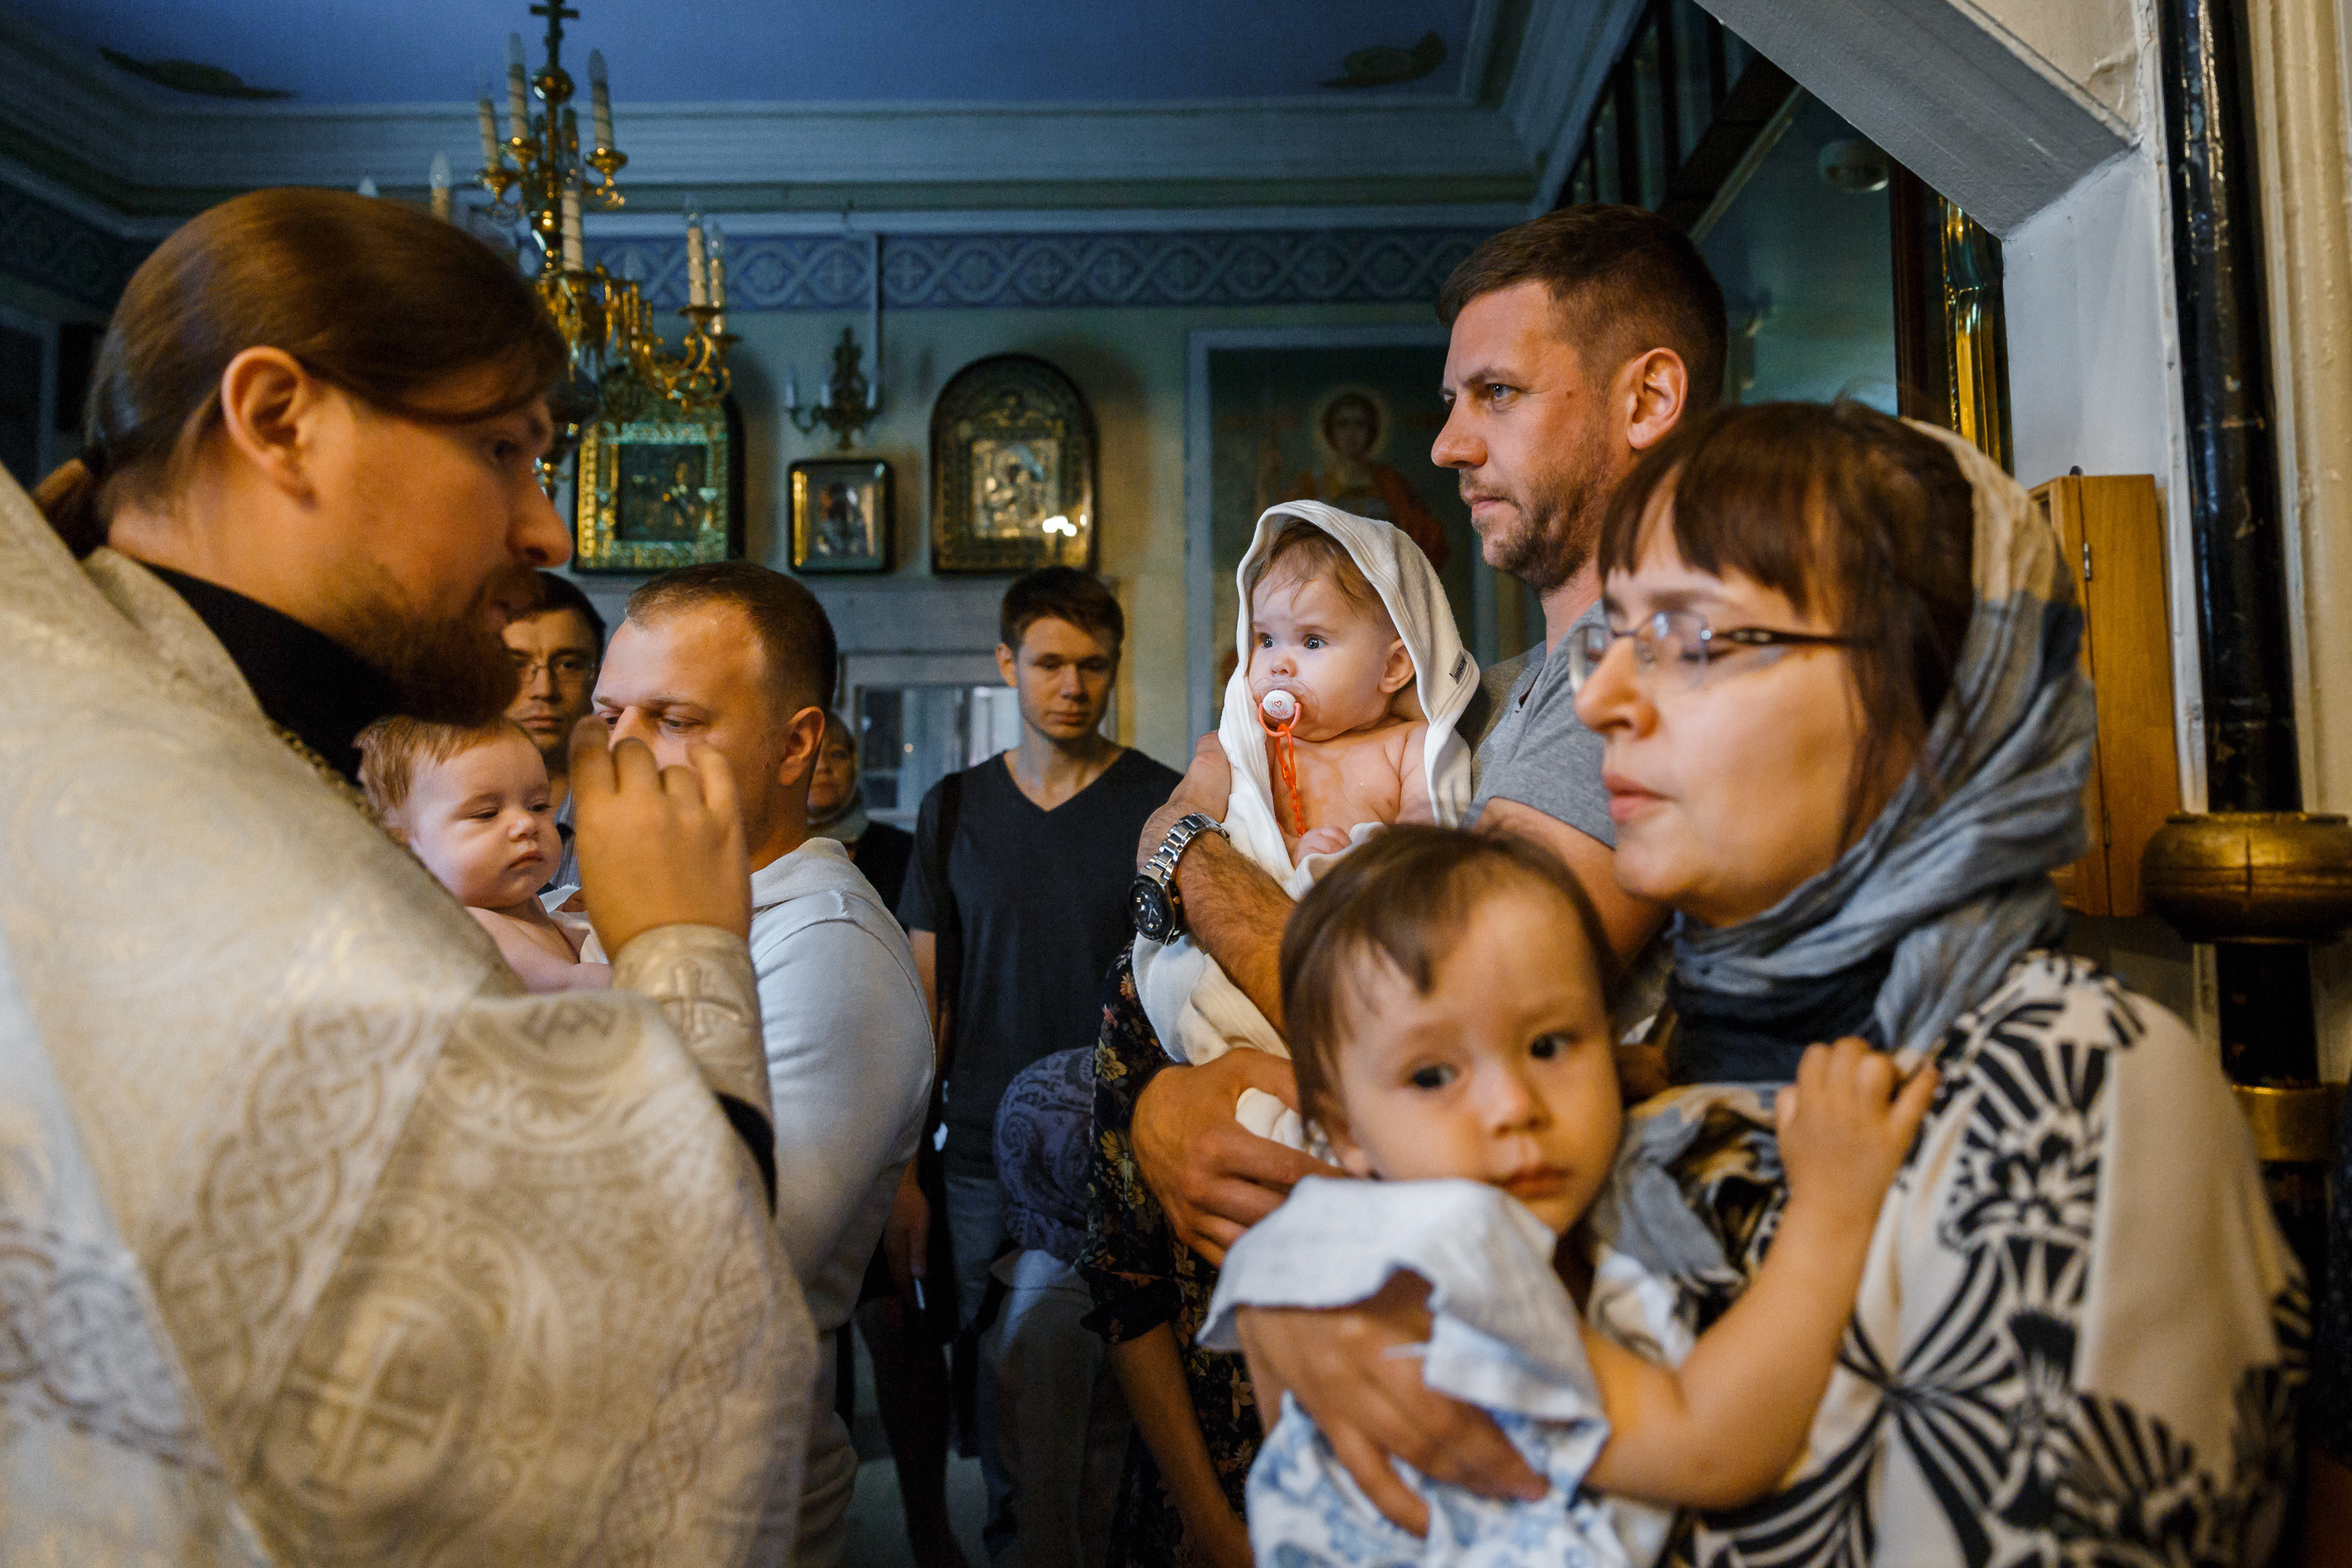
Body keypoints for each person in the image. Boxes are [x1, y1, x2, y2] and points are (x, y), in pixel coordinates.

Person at [1232, 402, 2305, 1561]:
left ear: (1934, 699)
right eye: (1611, 641)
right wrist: (1321, 1283)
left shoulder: (2075, 1079)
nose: (1600, 702)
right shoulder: (1653, 1051)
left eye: (1692, 640)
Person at [1, 186, 810, 1561]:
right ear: (278, 419)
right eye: (503, 449)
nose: (547, 530)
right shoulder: (183, 828)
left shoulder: (134, 712)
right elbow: (658, 1321)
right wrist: (679, 940)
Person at [1080, 206, 1722, 1563]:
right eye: (1444, 401)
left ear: (1647, 396)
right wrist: (1157, 1098)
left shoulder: (1644, 675)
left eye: (1493, 393)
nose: (1444, 443)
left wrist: (1186, 848)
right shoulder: (1522, 702)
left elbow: (1432, 1003)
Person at [1201, 826, 1934, 1564]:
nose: (1512, 1105)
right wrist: (1833, 1207)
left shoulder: (1344, 1246)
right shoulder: (1452, 1249)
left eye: (1550, 1045)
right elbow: (1708, 1445)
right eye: (1432, 1075)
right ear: (1343, 1129)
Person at [592, 562, 933, 1568]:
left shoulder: (826, 946)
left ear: (795, 744)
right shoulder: (624, 884)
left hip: (709, 1489)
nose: (623, 747)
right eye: (611, 711)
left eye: (673, 715)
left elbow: (727, 1277)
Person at [893, 565, 1182, 1557]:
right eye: (1051, 662)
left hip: (1117, 1143)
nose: (1073, 683)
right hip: (976, 1151)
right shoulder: (954, 806)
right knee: (1000, 1384)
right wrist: (904, 1166)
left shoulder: (1160, 803)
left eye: (1094, 665)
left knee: (1120, 1386)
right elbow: (925, 997)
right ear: (1007, 664)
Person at [357, 714, 611, 992]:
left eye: (538, 806)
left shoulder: (527, 905)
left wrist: (580, 924)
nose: (526, 824)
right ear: (402, 848)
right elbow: (568, 985)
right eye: (487, 814)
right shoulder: (471, 926)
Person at [503, 566, 605, 888]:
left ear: (599, 675)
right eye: (515, 665)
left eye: (569, 665)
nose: (544, 689)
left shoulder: (635, 814)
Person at [808, 707, 914, 909]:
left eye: (836, 754)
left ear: (854, 761)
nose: (823, 766)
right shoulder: (766, 854)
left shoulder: (904, 853)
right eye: (811, 756)